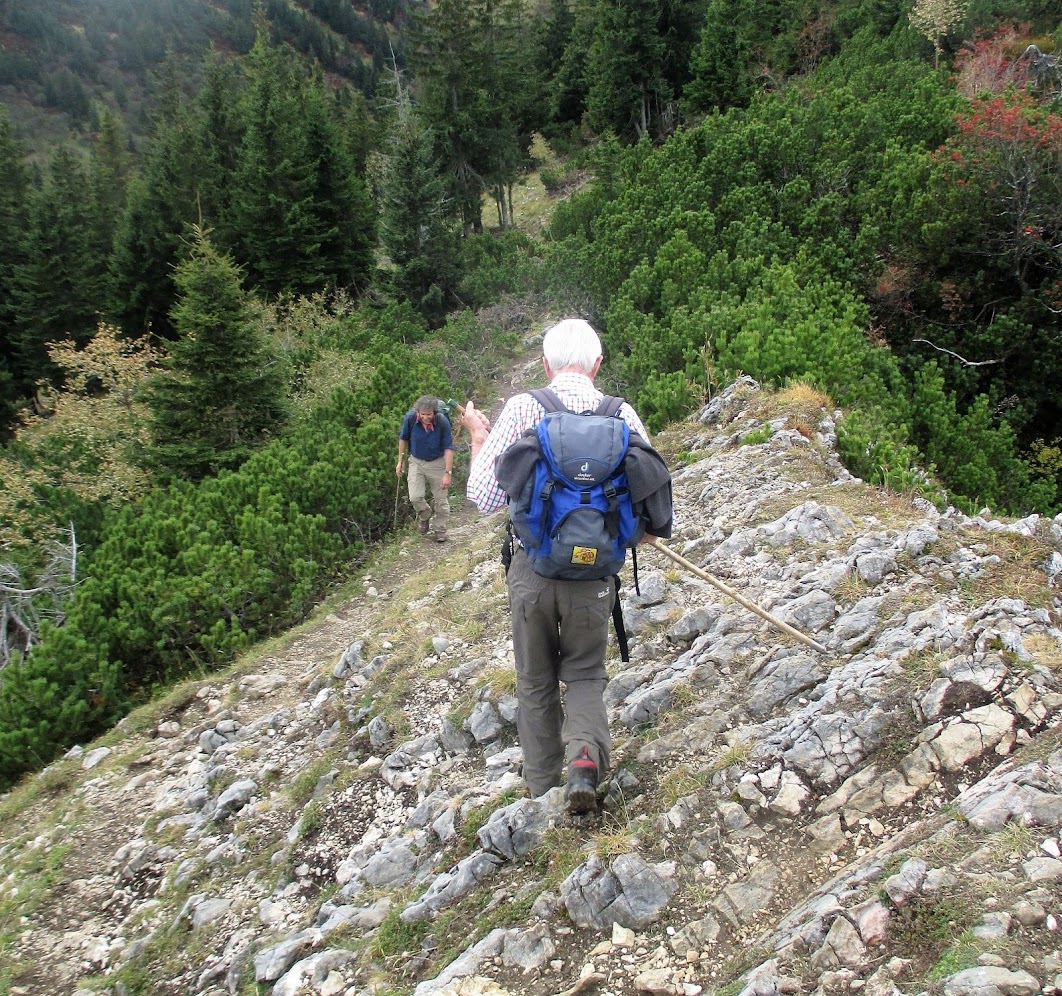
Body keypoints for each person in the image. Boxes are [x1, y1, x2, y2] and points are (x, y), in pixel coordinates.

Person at [462, 319, 673, 813]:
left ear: (545, 364)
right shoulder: (621, 415)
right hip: (594, 577)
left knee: (535, 680)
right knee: (584, 673)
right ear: (597, 364)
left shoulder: (523, 408)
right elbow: (652, 513)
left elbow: (483, 497)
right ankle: (583, 760)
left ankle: (541, 791)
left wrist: (477, 438)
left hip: (532, 572)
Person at [397, 395, 455, 542]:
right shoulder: (410, 419)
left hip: (437, 462)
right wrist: (400, 461)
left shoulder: (442, 421)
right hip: (416, 461)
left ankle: (440, 529)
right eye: (422, 414)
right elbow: (403, 439)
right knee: (415, 497)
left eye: (429, 414)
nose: (425, 417)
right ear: (418, 412)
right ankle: (425, 515)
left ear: (434, 412)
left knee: (441, 499)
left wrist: (447, 473)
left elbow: (449, 447)